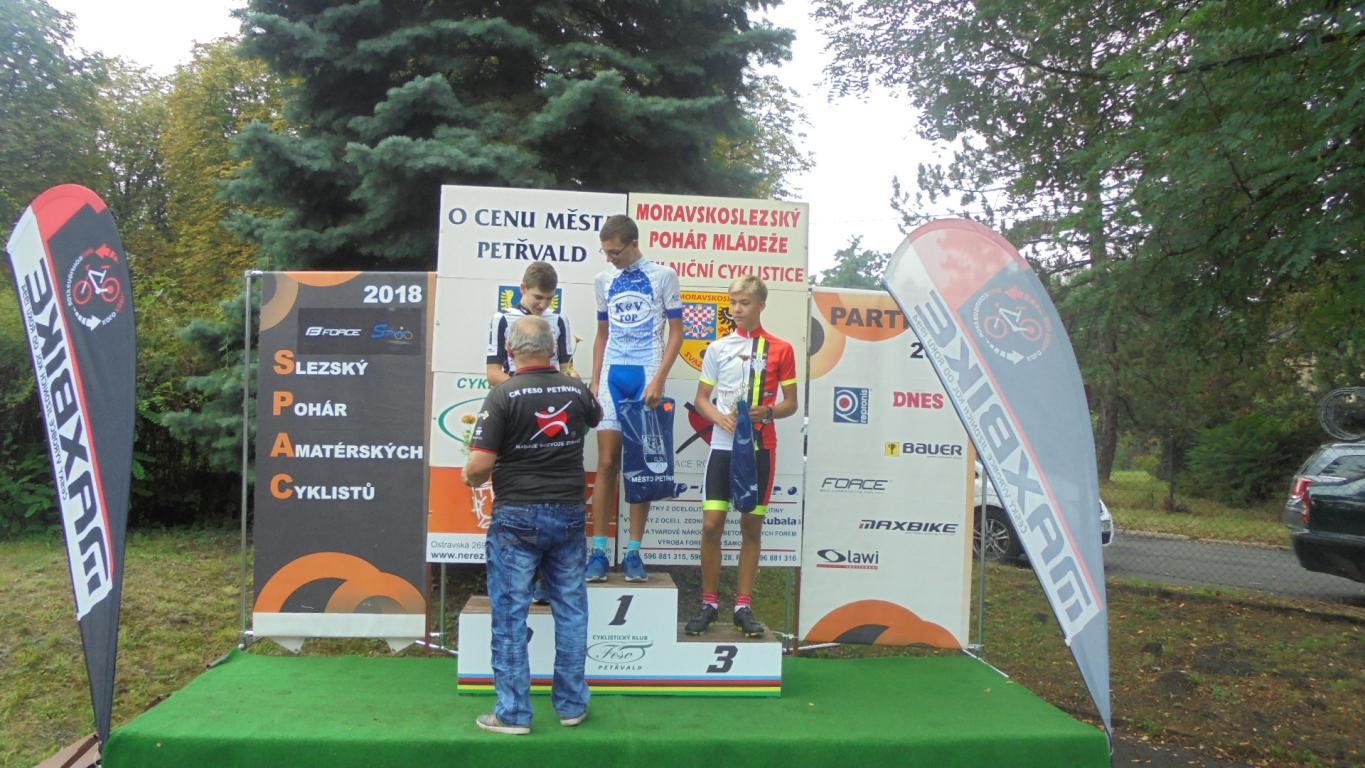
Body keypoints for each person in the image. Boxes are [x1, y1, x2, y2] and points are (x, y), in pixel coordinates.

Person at [463, 315, 602, 735]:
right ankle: (572, 705)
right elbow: (595, 416)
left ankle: (513, 713)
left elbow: (479, 466)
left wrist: (468, 475)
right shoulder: (575, 389)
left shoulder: (502, 395)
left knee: (509, 613)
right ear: (553, 349)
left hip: (517, 517)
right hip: (568, 512)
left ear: (509, 350)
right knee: (571, 610)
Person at [684, 276, 798, 638]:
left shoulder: (781, 349)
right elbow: (702, 399)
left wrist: (768, 412)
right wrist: (719, 418)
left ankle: (743, 606)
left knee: (751, 526)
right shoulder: (718, 348)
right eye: (732, 302)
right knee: (711, 525)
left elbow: (791, 404)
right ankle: (709, 603)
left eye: (744, 303)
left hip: (759, 449)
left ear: (761, 305)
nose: (736, 309)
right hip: (722, 447)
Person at [587, 214, 683, 583]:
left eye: (615, 252)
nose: (610, 258)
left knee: (641, 466)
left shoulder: (663, 276)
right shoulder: (603, 280)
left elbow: (677, 333)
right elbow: (601, 334)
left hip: (646, 375)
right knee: (606, 462)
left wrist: (659, 378)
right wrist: (595, 381)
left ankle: (633, 552)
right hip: (613, 375)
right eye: (606, 252)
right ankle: (598, 551)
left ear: (633, 244)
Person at [486, 262, 575, 385]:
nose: (543, 305)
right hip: (516, 389)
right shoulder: (502, 318)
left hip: (550, 389)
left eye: (549, 298)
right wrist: (527, 389)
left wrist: (573, 378)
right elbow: (493, 374)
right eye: (538, 297)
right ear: (523, 288)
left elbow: (567, 369)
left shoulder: (559, 319)